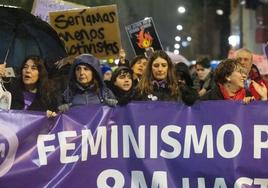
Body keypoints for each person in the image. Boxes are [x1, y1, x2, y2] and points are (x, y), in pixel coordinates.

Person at [201, 58, 267, 102]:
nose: (244, 76)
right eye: (239, 72)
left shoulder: (249, 97)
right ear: (228, 76)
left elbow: (259, 119)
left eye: (244, 73)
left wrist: (264, 98)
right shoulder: (208, 99)